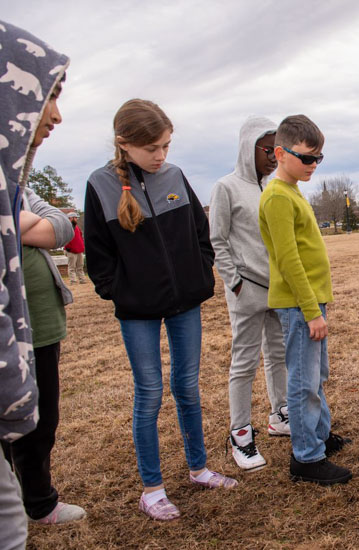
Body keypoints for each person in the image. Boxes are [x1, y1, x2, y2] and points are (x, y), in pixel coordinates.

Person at [85, 99, 237, 521]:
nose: (161, 156)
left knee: (187, 387)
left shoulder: (174, 175)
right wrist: (121, 292)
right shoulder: (100, 184)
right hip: (138, 311)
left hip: (185, 302)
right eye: (152, 148)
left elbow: (199, 231)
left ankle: (199, 468)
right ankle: (152, 489)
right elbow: (97, 257)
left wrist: (199, 269)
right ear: (124, 144)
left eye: (166, 146)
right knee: (149, 393)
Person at [0, 20, 70, 544]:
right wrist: (28, 225)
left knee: (44, 414)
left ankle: (39, 499)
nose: (56, 114)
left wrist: (19, 221)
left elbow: (64, 227)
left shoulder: (17, 181)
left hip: (39, 317)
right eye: (50, 96)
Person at [259, 115, 352, 486]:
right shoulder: (278, 197)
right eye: (307, 158)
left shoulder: (293, 189)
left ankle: (320, 437)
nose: (313, 165)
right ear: (281, 153)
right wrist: (311, 311)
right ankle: (306, 457)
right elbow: (288, 259)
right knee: (302, 381)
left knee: (316, 375)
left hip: (310, 303)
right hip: (300, 306)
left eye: (319, 159)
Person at [210, 116, 289, 472]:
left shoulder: (273, 187)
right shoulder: (226, 187)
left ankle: (280, 415)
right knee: (244, 363)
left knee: (278, 354)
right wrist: (234, 281)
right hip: (246, 291)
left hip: (278, 290)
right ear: (248, 147)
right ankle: (240, 434)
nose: (273, 156)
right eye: (267, 148)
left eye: (277, 149)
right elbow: (217, 240)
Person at [64, 212, 87, 283]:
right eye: (75, 217)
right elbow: (65, 238)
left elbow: (80, 237)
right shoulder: (67, 227)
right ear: (70, 218)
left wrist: (82, 246)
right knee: (72, 267)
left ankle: (82, 279)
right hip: (71, 250)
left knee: (80, 266)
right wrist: (68, 247)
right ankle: (73, 280)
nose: (76, 219)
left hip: (79, 250)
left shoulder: (77, 227)